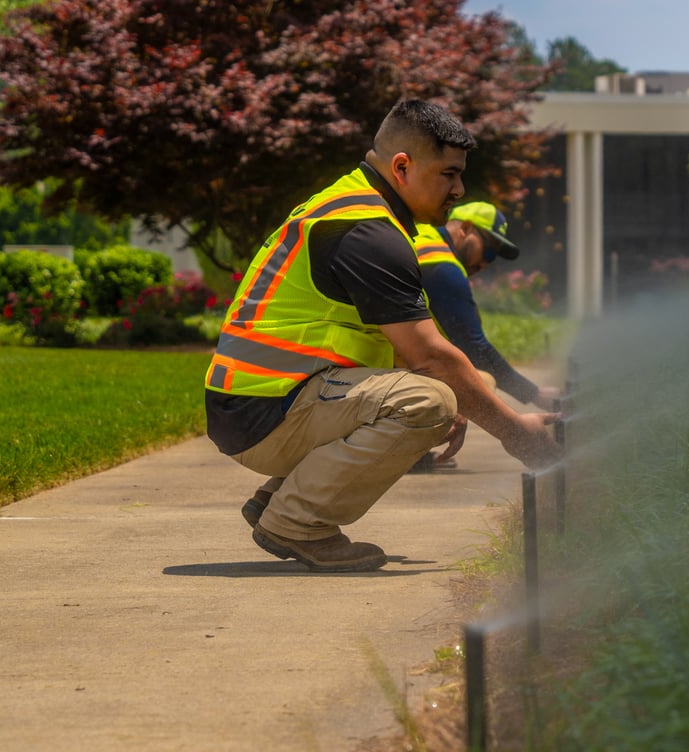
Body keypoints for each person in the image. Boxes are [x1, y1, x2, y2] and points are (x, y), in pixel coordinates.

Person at [203, 99, 563, 572]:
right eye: (449, 174)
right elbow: (430, 356)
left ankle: (278, 498)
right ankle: (296, 520)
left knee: (440, 394)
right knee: (428, 404)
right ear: (402, 166)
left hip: (256, 403)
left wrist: (458, 394)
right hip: (266, 412)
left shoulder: (353, 207)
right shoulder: (368, 232)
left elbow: (387, 344)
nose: (459, 189)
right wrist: (517, 434)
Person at [408, 201, 559, 471]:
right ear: (466, 228)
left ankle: (406, 451)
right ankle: (404, 454)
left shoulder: (422, 239)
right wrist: (533, 394)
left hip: (364, 364)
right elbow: (476, 348)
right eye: (488, 250)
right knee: (482, 379)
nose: (487, 263)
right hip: (371, 373)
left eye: (493, 258)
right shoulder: (441, 266)